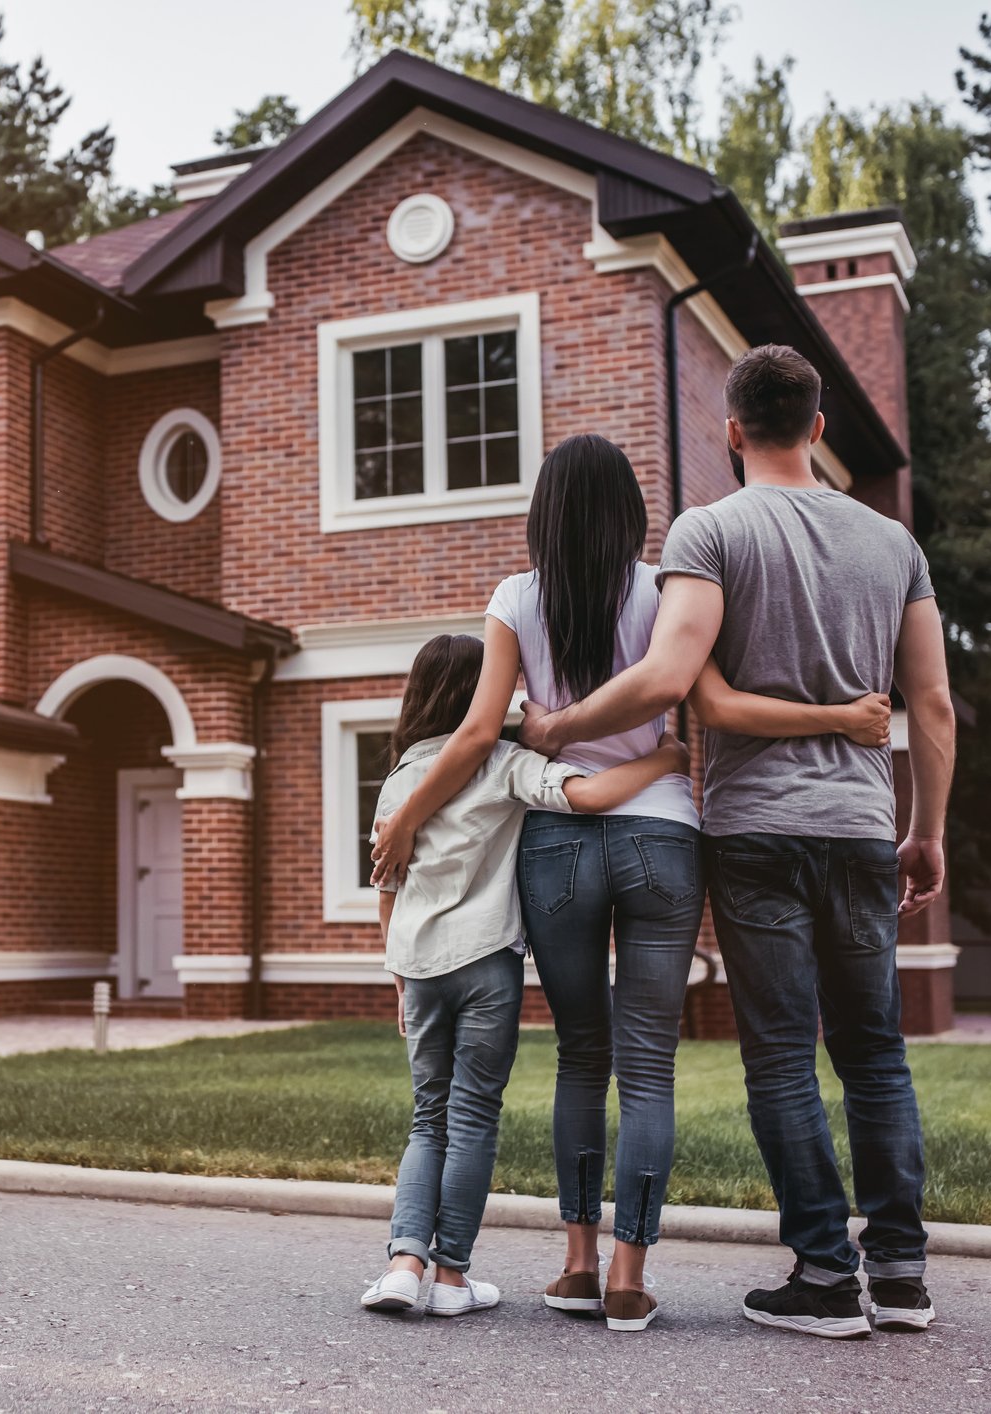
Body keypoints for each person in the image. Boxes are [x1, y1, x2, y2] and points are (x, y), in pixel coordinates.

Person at [369, 433, 893, 1334]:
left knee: (581, 1054)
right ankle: (626, 1276)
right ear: (631, 513)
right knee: (648, 1064)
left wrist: (410, 813)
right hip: (660, 835)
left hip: (558, 845)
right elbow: (704, 698)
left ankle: (575, 1265)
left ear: (542, 512)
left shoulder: (514, 598)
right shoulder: (667, 589)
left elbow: (476, 735)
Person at [511, 346, 957, 1340]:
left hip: (755, 829)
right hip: (859, 828)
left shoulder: (710, 529)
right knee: (875, 1054)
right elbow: (929, 702)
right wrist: (924, 829)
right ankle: (900, 1275)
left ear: (730, 430)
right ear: (818, 426)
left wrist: (557, 727)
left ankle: (824, 1276)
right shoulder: (893, 543)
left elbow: (672, 679)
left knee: (783, 1059)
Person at [358, 632, 689, 1319]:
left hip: (418, 968)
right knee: (472, 1117)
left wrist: (399, 980)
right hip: (486, 965)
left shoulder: (398, 780)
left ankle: (401, 1265)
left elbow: (386, 888)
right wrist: (664, 758)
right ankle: (451, 1278)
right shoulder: (505, 764)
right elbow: (589, 796)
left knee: (428, 1118)